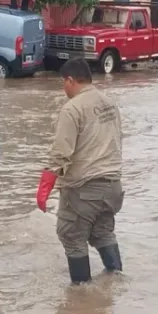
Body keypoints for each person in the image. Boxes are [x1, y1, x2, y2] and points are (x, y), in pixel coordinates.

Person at [35, 59, 124, 284]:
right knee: (103, 233)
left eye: (63, 83)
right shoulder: (109, 103)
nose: (63, 88)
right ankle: (116, 281)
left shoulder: (72, 108)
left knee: (72, 236)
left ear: (70, 80)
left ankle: (81, 294)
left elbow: (61, 152)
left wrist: (45, 186)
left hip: (84, 189)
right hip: (113, 186)